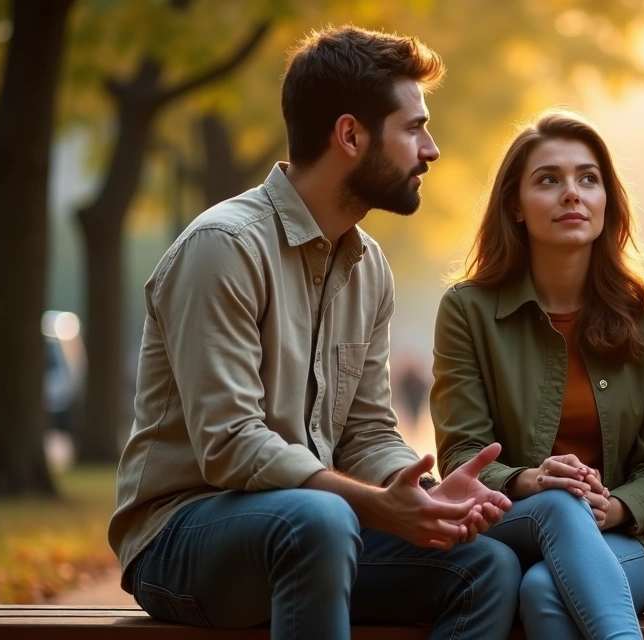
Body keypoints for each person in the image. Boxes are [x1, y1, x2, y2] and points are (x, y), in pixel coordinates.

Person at [107, 26, 521, 640]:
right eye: (413, 127)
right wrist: (373, 506)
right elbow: (229, 443)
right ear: (351, 135)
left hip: (316, 527)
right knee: (321, 520)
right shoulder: (224, 248)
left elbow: (368, 431)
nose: (430, 149)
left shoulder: (368, 267)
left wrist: (417, 493)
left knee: (487, 565)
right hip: (181, 536)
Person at [431, 111, 644, 639]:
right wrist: (529, 479)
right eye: (548, 179)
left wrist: (614, 506)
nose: (572, 193)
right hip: (511, 522)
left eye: (588, 179)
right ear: (515, 206)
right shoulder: (468, 310)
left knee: (544, 591)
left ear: (606, 202)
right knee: (555, 505)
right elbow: (462, 455)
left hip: (626, 537)